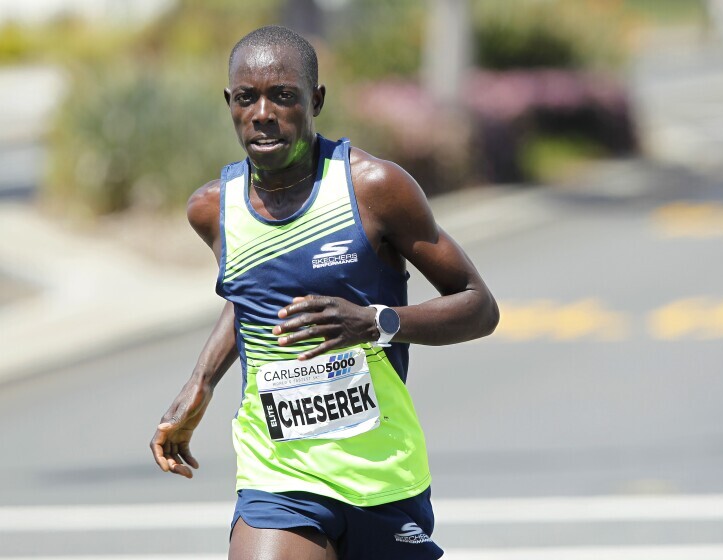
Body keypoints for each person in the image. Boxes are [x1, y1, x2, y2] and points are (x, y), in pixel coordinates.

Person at [150, 25, 498, 560]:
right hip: (278, 474)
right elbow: (248, 296)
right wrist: (200, 382)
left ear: (315, 100)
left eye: (282, 95)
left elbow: (478, 305)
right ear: (229, 104)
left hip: (381, 472)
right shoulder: (212, 209)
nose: (262, 113)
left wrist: (375, 322)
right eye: (246, 98)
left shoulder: (374, 188)